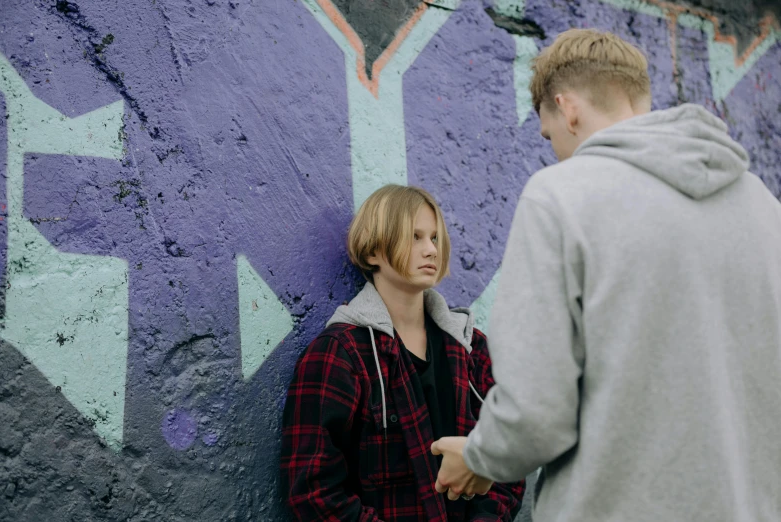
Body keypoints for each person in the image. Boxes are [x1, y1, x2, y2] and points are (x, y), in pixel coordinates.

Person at [432, 28, 781, 522]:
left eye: (549, 134)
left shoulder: (560, 196)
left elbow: (536, 413)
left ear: (567, 107)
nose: (552, 149)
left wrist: (480, 457)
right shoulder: (763, 207)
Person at [280, 185, 525, 521]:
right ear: (372, 253)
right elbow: (314, 492)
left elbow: (507, 459)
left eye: (435, 238)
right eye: (415, 237)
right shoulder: (340, 354)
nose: (430, 250)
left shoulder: (470, 348)